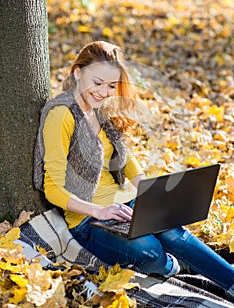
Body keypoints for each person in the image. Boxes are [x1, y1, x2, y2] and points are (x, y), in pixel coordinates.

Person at [34, 40, 234, 297]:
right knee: (147, 248)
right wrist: (100, 210)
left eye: (111, 86)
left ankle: (229, 280)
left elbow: (125, 157)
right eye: (97, 83)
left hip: (124, 203)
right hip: (88, 218)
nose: (104, 92)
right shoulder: (61, 115)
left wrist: (147, 189)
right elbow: (52, 188)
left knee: (173, 232)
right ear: (77, 73)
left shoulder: (101, 110)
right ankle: (176, 266)